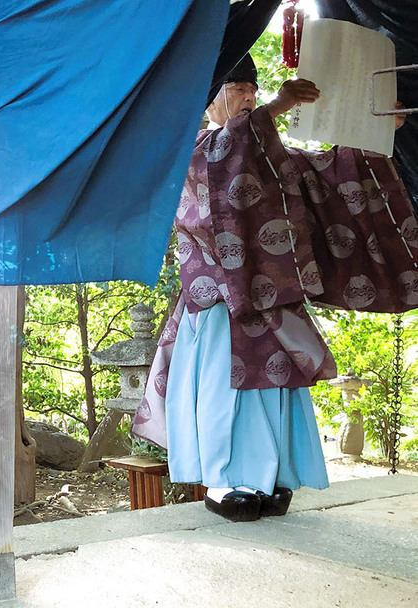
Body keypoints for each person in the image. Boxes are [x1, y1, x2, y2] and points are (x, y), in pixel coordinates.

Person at [134, 55, 416, 523]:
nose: (247, 98)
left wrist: (373, 134)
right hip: (221, 300)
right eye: (236, 89)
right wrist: (277, 107)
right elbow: (223, 160)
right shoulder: (192, 145)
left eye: (251, 89)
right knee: (227, 395)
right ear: (209, 101)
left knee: (280, 390)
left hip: (272, 297)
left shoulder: (270, 151)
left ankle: (273, 478)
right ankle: (224, 484)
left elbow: (327, 171)